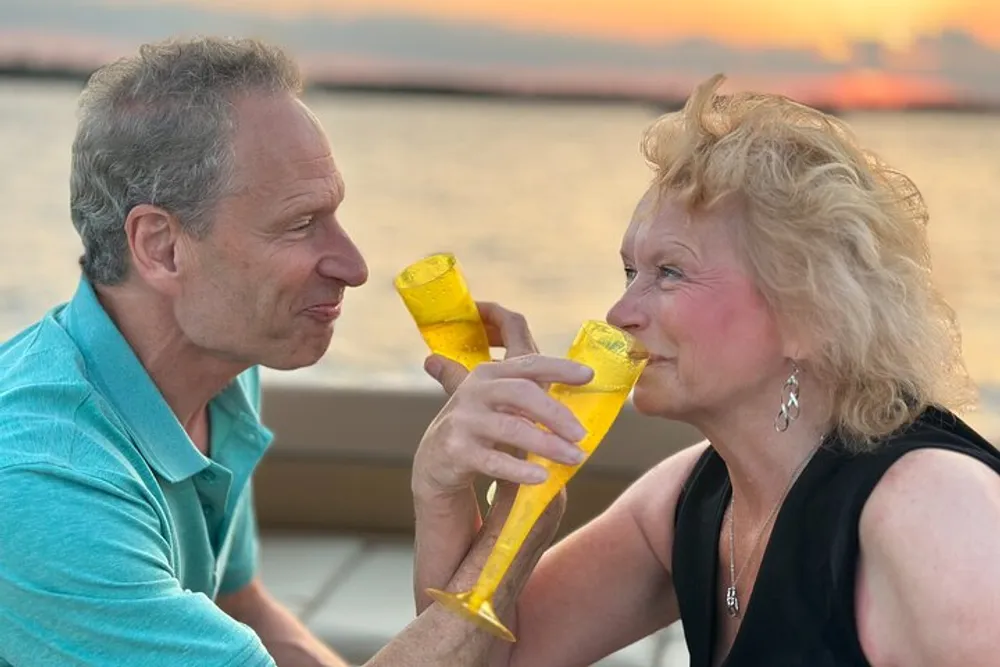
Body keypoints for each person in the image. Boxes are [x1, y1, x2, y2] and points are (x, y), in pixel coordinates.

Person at [0, 36, 564, 667]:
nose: (354, 266)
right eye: (300, 224)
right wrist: (514, 531)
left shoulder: (222, 372)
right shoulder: (42, 483)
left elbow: (239, 607)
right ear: (161, 246)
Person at [411, 74, 1000, 666]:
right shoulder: (691, 498)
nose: (619, 314)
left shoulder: (931, 505)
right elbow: (479, 659)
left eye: (670, 272)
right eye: (628, 273)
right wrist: (450, 488)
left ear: (811, 313)